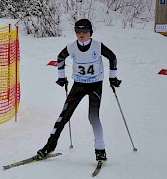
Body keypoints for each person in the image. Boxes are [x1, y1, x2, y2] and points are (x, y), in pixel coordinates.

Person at [37, 19, 121, 162]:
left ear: (90, 32)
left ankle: (100, 150)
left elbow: (112, 58)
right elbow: (60, 58)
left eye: (85, 31)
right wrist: (61, 77)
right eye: (78, 31)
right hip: (79, 86)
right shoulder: (71, 47)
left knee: (93, 117)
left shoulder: (97, 46)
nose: (81, 34)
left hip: (95, 85)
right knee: (64, 116)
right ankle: (49, 147)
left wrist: (112, 78)